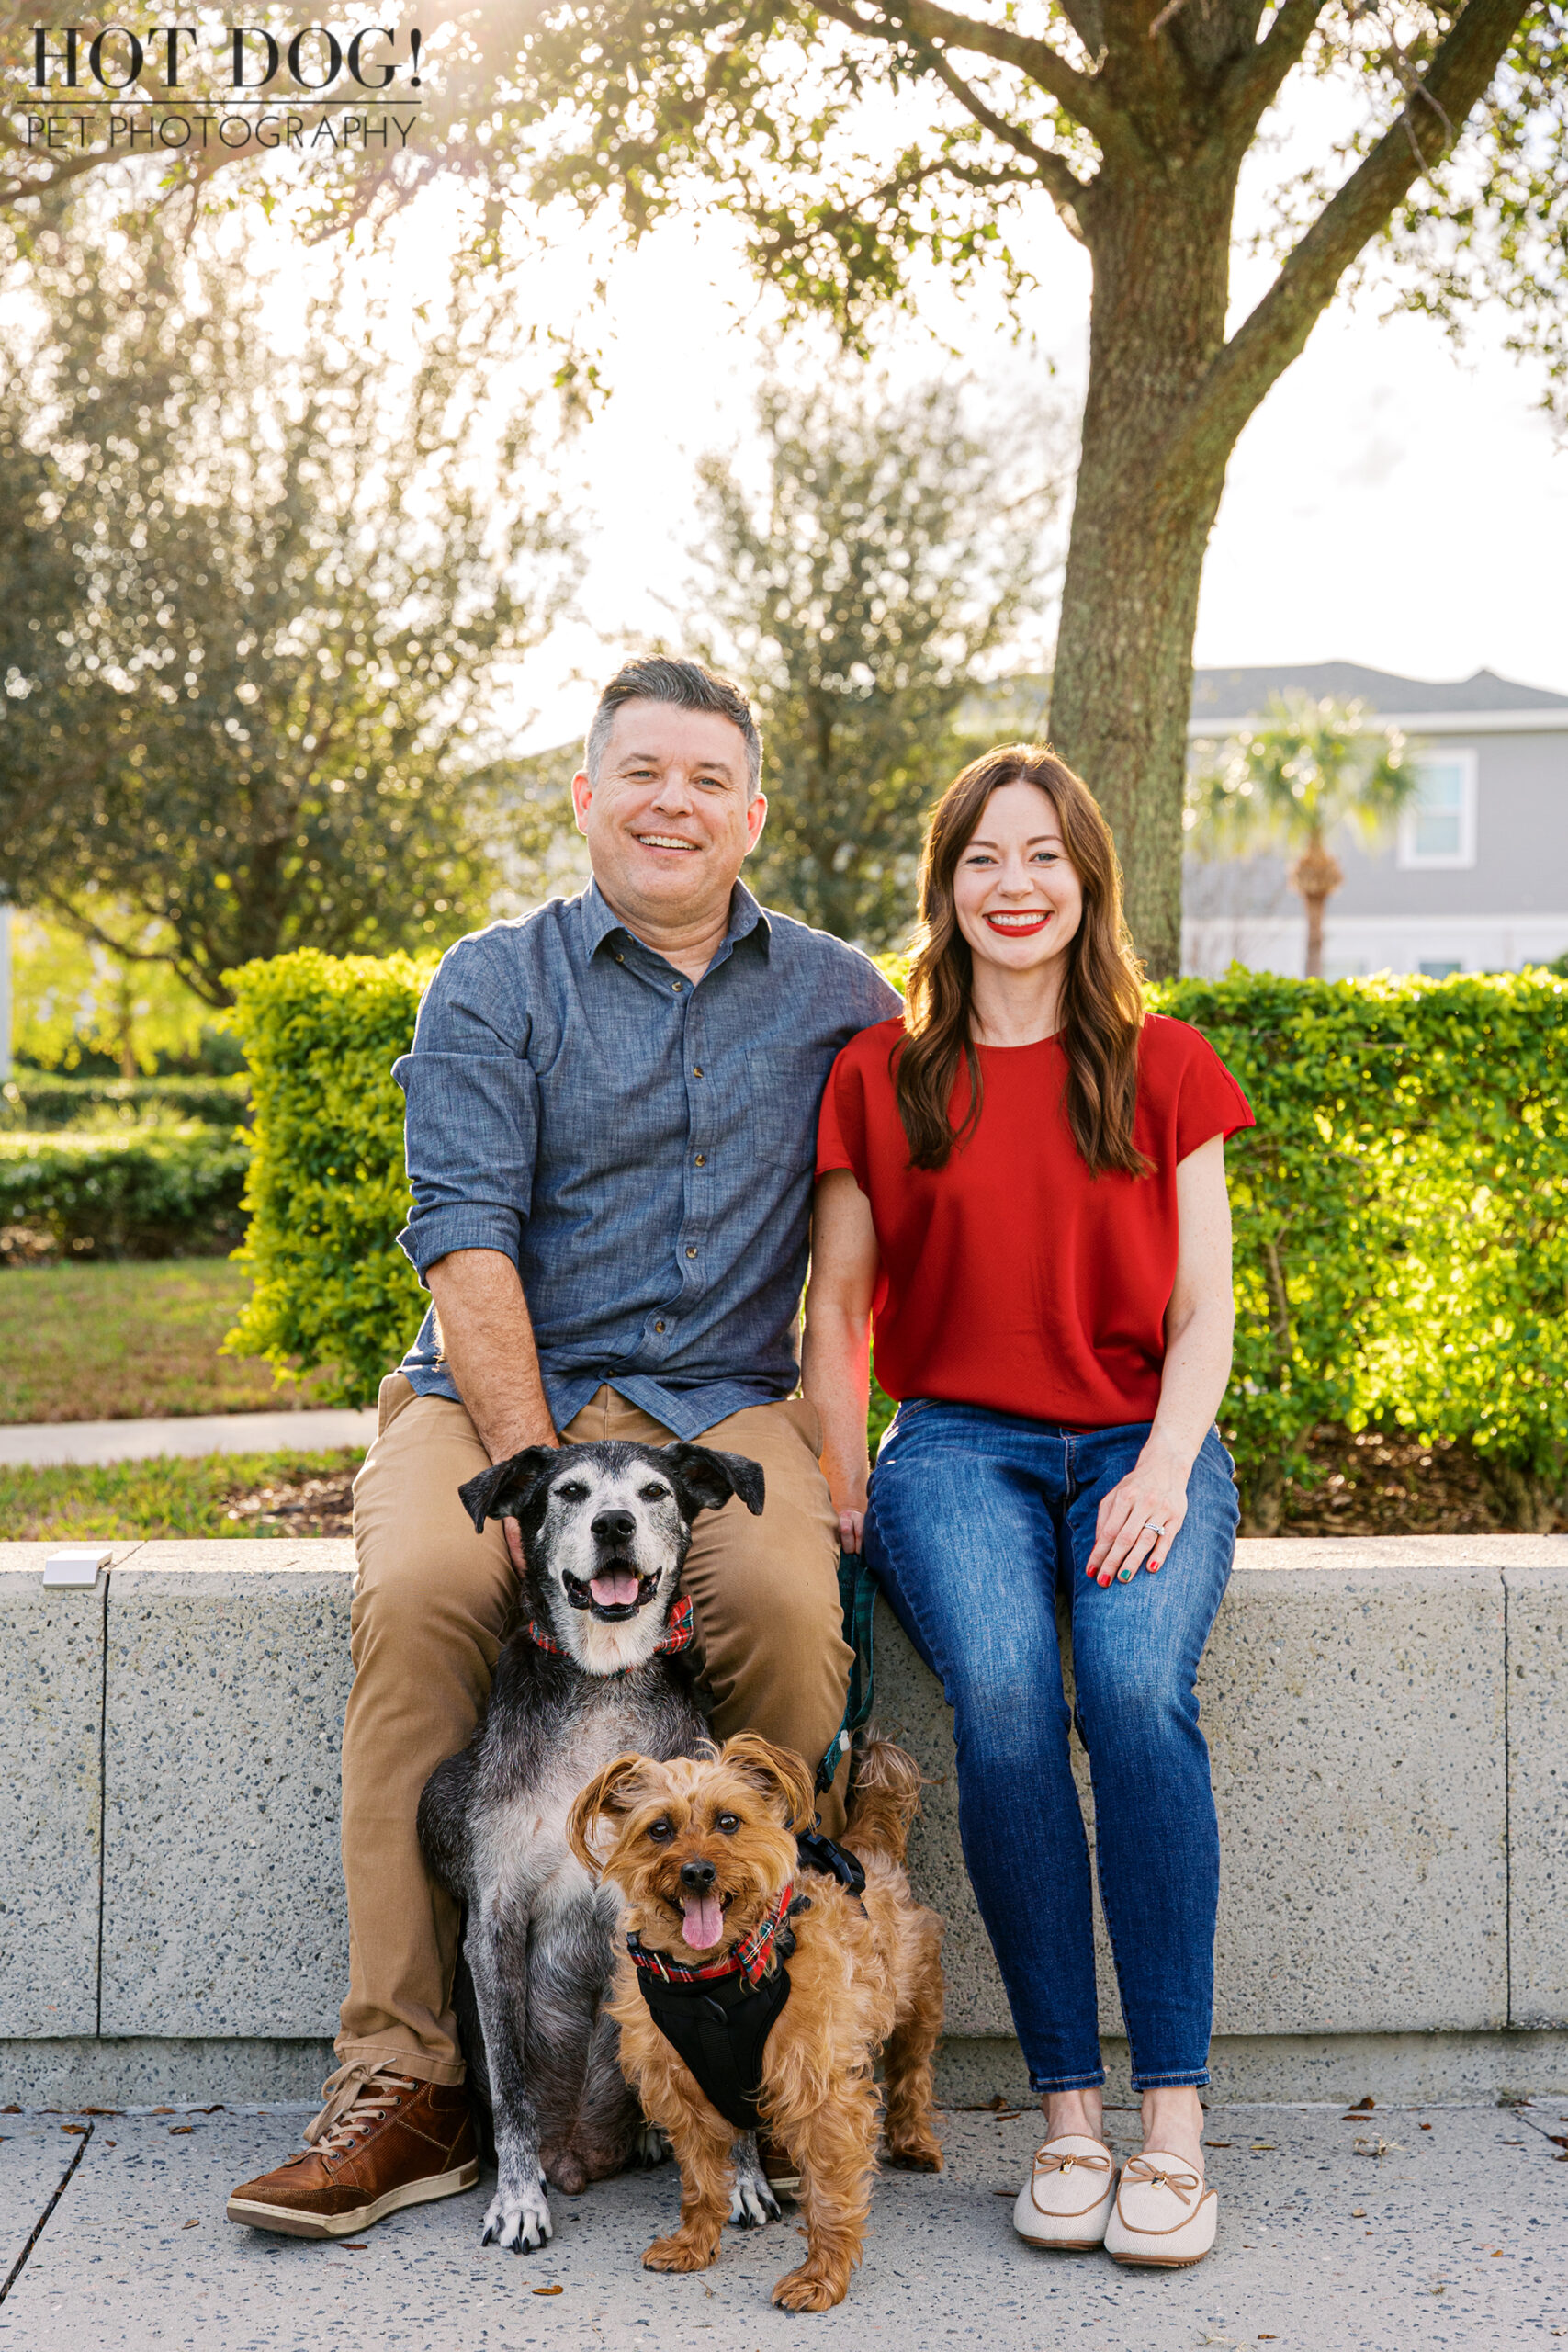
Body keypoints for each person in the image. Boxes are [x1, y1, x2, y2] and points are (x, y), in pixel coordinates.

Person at [228, 657, 901, 2242]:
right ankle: (410, 2077)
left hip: (718, 1398)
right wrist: (537, 1493)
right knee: (422, 1591)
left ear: (752, 812)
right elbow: (467, 1252)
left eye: (707, 779)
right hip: (496, 1391)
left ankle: (766, 2042)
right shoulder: (491, 980)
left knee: (791, 1615)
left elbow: (859, 1255)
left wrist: (846, 1454)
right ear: (585, 794)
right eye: (641, 772)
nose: (674, 802)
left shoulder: (839, 997)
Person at [802, 745, 1252, 2269]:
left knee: (1132, 1688)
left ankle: (1172, 2132)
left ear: (1087, 883)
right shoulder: (883, 1074)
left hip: (1143, 1434)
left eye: (1044, 856)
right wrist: (844, 1470)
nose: (1014, 885)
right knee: (1000, 1699)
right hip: (959, 1451)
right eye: (984, 858)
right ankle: (1069, 2119)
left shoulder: (1165, 1062)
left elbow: (1206, 1317)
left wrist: (1168, 1469)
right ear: (946, 887)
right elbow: (839, 1305)